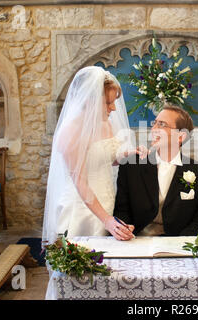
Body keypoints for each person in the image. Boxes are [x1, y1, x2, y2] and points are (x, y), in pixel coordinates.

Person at [42, 66, 141, 247]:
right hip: (81, 207)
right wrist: (107, 220)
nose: (113, 108)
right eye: (108, 103)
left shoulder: (106, 123)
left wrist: (126, 155)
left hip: (108, 199)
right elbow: (79, 180)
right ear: (89, 100)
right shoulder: (71, 131)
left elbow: (105, 159)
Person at [114, 103, 198, 237]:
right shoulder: (132, 166)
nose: (154, 129)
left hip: (178, 244)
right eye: (154, 123)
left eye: (161, 124)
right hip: (136, 241)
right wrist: (125, 232)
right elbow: (121, 211)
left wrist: (176, 245)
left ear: (180, 136)